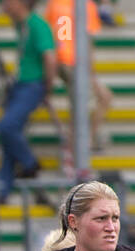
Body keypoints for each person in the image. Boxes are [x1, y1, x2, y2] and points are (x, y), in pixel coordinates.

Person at [0, 0, 56, 203]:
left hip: (32, 85)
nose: (4, 5)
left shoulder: (38, 25)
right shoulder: (22, 25)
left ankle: (30, 163)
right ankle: (1, 190)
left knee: (7, 126)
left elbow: (50, 58)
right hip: (22, 84)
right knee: (9, 141)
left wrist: (46, 89)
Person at [45, 0, 113, 151]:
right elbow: (86, 40)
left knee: (89, 101)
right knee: (90, 101)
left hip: (64, 60)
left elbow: (55, 33)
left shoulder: (57, 4)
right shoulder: (85, 6)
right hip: (73, 62)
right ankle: (82, 142)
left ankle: (83, 140)